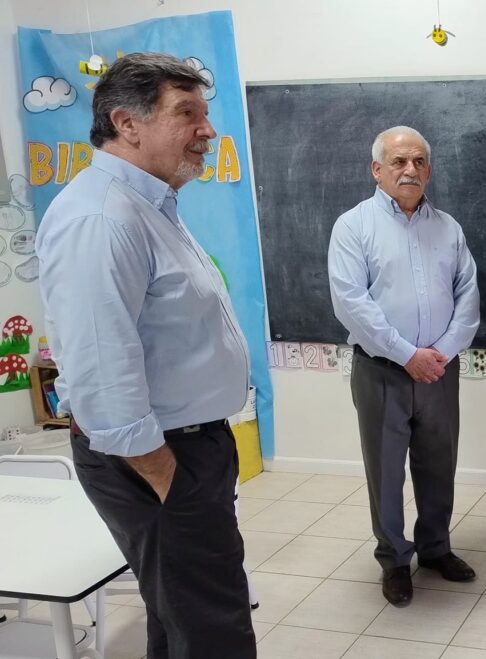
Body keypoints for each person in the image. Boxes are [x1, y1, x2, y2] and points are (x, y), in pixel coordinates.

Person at [36, 52, 256, 658]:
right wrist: (169, 478)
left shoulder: (149, 203)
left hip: (186, 445)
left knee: (182, 618)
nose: (207, 130)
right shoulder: (103, 217)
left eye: (204, 114)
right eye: (187, 114)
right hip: (157, 456)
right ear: (126, 123)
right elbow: (102, 371)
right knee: (214, 628)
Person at [329, 126, 480, 606]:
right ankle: (394, 559)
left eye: (418, 161)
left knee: (439, 465)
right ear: (377, 169)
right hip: (382, 372)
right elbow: (351, 303)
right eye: (398, 161)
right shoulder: (352, 226)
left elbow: (468, 298)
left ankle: (435, 548)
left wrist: (440, 354)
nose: (410, 169)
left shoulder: (449, 228)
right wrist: (406, 354)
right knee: (386, 471)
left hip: (439, 369)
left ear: (429, 170)